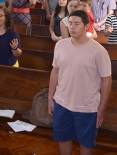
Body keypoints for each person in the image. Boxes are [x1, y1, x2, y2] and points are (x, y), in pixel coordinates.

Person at [48, 10, 112, 155]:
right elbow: (55, 72)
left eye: (77, 24)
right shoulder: (61, 45)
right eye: (70, 23)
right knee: (63, 139)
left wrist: (101, 110)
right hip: (61, 102)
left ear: (87, 26)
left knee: (86, 143)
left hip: (87, 107)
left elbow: (106, 81)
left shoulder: (98, 51)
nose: (72, 27)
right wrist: (50, 98)